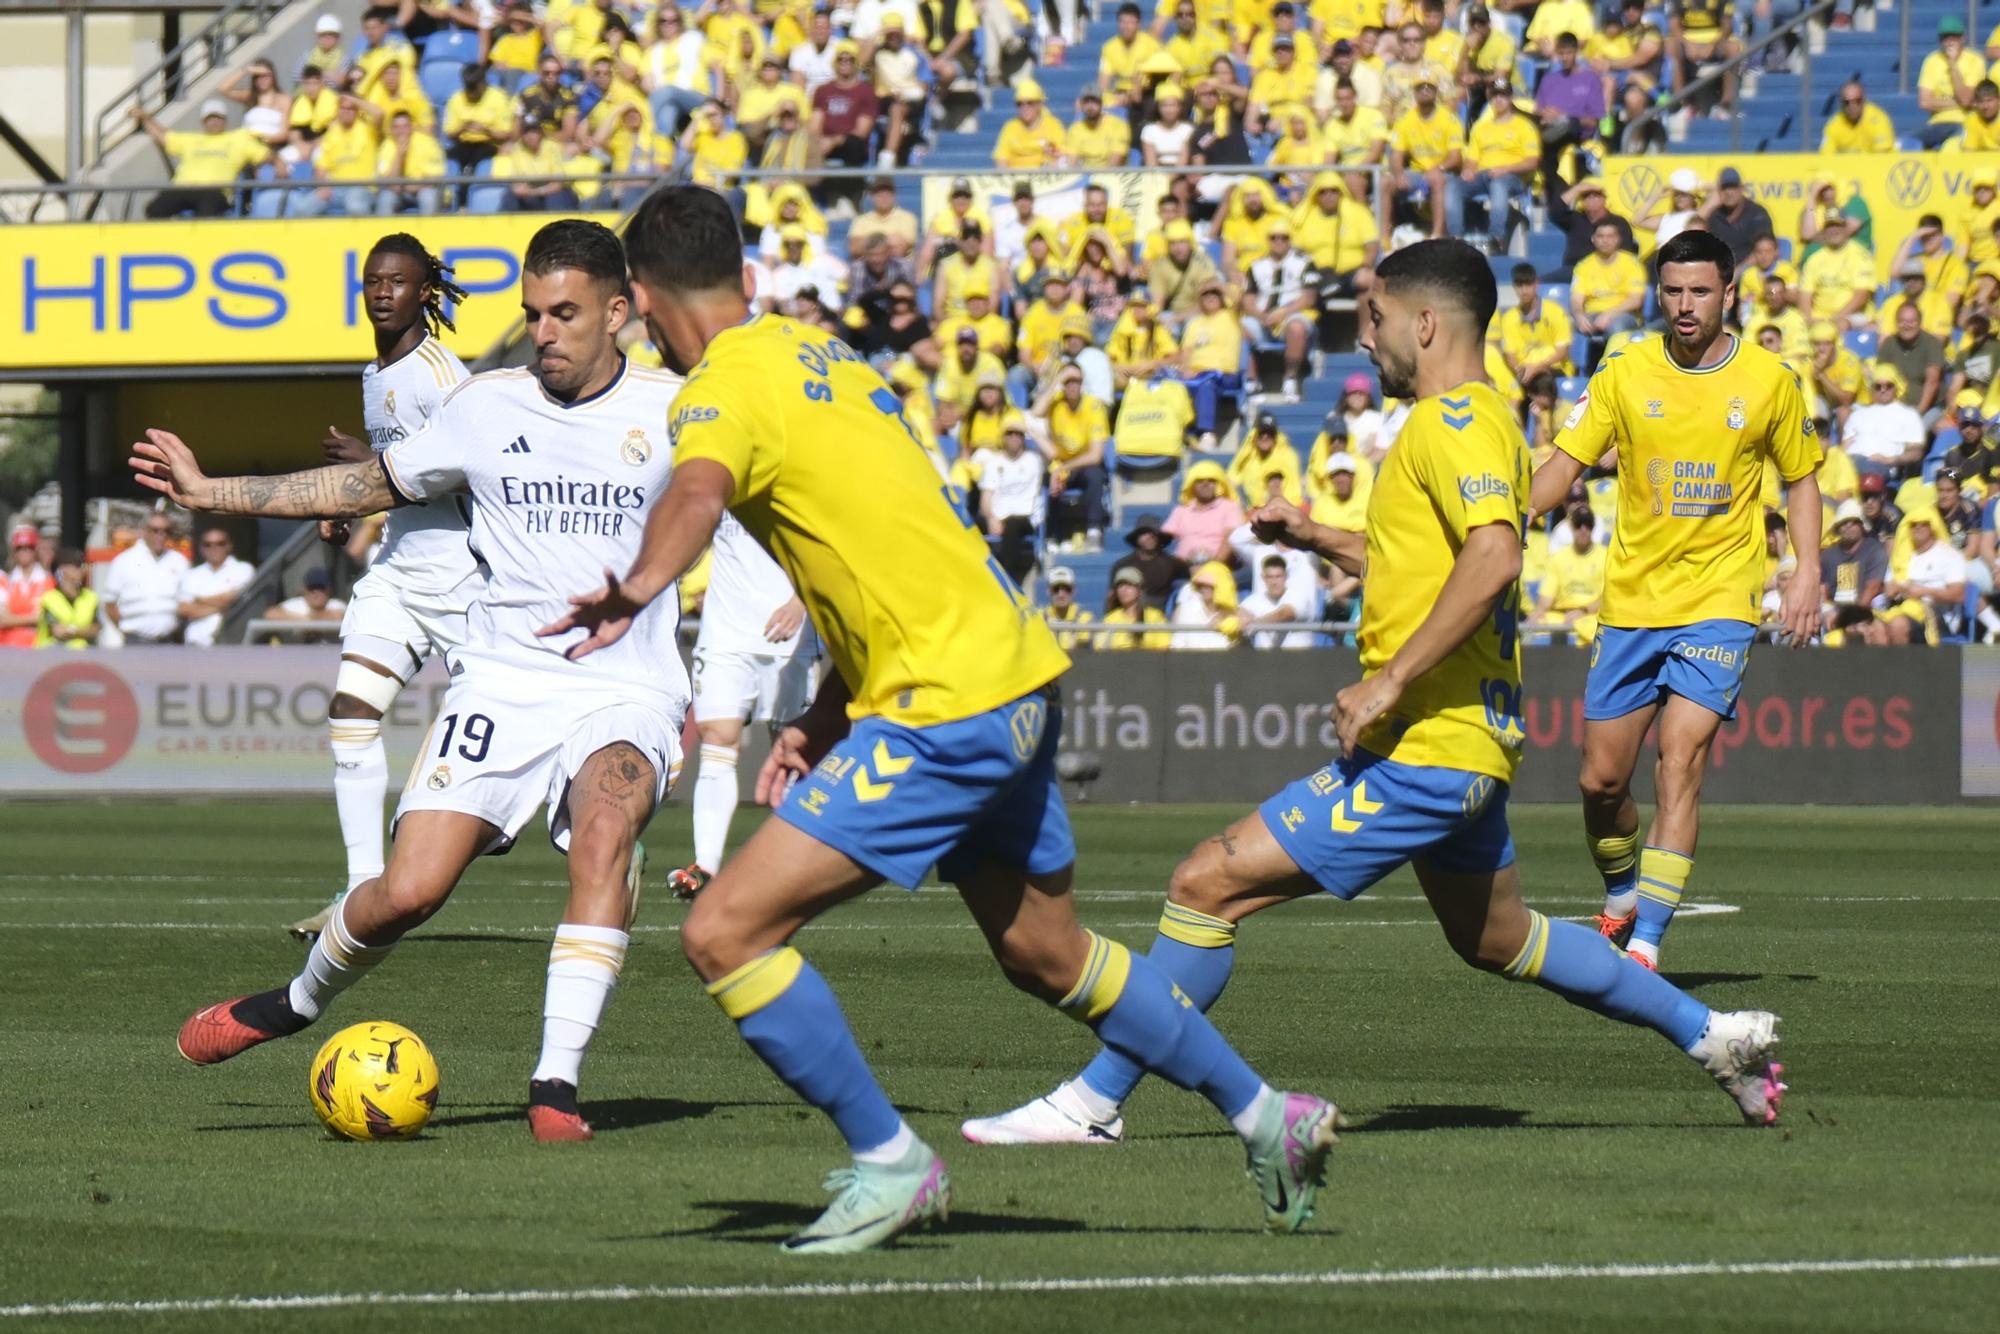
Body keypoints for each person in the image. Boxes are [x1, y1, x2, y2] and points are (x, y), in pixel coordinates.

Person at [537, 184, 1339, 1253]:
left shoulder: (718, 389)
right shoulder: (824, 356)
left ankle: (890, 1161)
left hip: (943, 708)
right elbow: (887, 536)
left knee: (725, 928)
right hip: (1011, 674)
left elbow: (695, 487)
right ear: (745, 271)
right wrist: (826, 709)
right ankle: (1264, 1115)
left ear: (635, 296)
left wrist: (639, 586)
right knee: (1047, 951)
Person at [963, 239, 1787, 1148]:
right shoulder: (1473, 425)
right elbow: (1422, 559)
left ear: (1425, 324)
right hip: (1458, 744)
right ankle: (1713, 1037)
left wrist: (1389, 678)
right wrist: (1317, 534)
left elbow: (1495, 555)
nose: (1365, 341)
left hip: (1428, 747)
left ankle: (1094, 1103)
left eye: (1376, 320)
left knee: (1204, 885)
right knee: (1501, 938)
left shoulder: (1456, 425)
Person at [143, 220, 689, 1144]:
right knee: (410, 891)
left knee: (605, 833)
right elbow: (358, 487)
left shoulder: (678, 413)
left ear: (620, 311)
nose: (545, 332)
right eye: (532, 314)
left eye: (565, 314)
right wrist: (210, 491)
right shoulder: (485, 407)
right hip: (501, 684)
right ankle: (296, 1002)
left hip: (624, 688)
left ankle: (555, 1084)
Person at [1532, 229, 1822, 971]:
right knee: (1600, 782)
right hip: (1632, 600)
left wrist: (1806, 571)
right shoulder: (1624, 370)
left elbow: (1800, 479)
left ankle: (1648, 947)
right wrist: (1492, 518)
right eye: (1672, 291)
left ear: (1730, 293)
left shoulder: (1769, 380)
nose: (1685, 305)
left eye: (1700, 291)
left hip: (1721, 594)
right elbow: (1561, 469)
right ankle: (1623, 891)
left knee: (1680, 758)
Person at [283, 235, 476, 940]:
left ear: (426, 291)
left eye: (397, 282)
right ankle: (363, 894)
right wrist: (352, 500)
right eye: (372, 281)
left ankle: (591, 835)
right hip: (399, 569)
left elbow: (475, 461)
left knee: (512, 725)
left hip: (463, 571)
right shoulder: (376, 372)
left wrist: (376, 464)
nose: (382, 292)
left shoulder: (439, 370)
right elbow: (395, 483)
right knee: (350, 715)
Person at [665, 513, 816, 900]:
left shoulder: (798, 471)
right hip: (726, 632)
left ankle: (793, 868)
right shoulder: (722, 474)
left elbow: (825, 547)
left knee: (794, 748)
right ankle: (706, 866)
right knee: (718, 741)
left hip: (792, 633)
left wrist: (802, 602)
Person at [131, 99, 268, 219]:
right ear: (203, 121)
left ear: (225, 120)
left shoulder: (239, 138)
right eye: (210, 118)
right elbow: (163, 137)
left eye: (218, 118)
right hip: (183, 188)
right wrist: (145, 118)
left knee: (207, 210)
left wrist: (275, 165)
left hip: (215, 191)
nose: (214, 122)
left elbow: (266, 156)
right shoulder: (192, 140)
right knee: (154, 209)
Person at [102, 513, 190, 644]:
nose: (161, 535)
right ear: (144, 531)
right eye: (155, 530)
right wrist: (126, 629)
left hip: (170, 641)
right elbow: (110, 603)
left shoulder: (179, 561)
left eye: (166, 531)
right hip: (136, 640)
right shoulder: (124, 561)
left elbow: (187, 601)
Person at [1531, 505, 1607, 644]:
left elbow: (1609, 597)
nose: (1583, 529)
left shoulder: (1606, 557)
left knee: (1595, 626)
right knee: (1537, 624)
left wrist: (1582, 611)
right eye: (1578, 524)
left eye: (1588, 524)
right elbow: (1547, 596)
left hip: (1592, 615)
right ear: (1571, 527)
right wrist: (1539, 612)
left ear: (1593, 527)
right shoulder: (1559, 558)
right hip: (1562, 616)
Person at [175, 527, 255, 647]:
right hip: (195, 645)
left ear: (229, 546)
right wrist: (225, 606)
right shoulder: (192, 574)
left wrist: (199, 600)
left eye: (220, 544)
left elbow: (235, 599)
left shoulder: (243, 569)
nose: (214, 548)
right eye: (208, 544)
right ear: (201, 548)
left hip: (230, 645)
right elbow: (185, 609)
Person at [1699, 167, 1774, 266]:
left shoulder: (1757, 214)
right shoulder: (1713, 214)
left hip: (1747, 274)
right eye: (1724, 188)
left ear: (1741, 189)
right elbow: (1689, 238)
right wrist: (1707, 207)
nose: (1729, 192)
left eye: (1733, 187)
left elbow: (1762, 251)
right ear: (1718, 191)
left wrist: (1735, 274)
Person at [1820, 499, 1887, 609]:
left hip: (1866, 610)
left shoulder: (1875, 550)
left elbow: (1873, 587)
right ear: (1838, 527)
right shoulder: (1828, 555)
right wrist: (1827, 611)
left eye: (1854, 522)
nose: (1848, 525)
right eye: (1844, 522)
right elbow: (1822, 589)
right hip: (1833, 610)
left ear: (1862, 526)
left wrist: (1853, 616)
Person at [35, 548, 99, 649]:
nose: (83, 570)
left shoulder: (91, 597)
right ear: (63, 570)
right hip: (52, 657)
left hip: (83, 657)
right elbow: (58, 632)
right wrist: (84, 630)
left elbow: (96, 629)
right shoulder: (50, 598)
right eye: (78, 566)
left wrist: (70, 629)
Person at [2, 525, 52, 649]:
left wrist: (13, 619)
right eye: (19, 548)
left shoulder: (48, 580)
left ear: (35, 550)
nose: (24, 552)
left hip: (38, 647)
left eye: (28, 547)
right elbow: (1, 620)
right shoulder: (6, 581)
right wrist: (33, 618)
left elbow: (48, 617)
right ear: (14, 551)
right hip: (8, 646)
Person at [1097, 565, 1171, 648]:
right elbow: (1101, 650)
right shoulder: (1110, 619)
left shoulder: (1155, 617)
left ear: (1139, 590)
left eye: (1129, 585)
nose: (1123, 590)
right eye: (1120, 586)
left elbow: (1164, 647)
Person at [265, 567, 346, 642]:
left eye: (321, 588)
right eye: (312, 588)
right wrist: (302, 620)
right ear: (304, 590)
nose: (316, 593)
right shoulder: (297, 605)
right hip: (298, 655)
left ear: (329, 590)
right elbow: (270, 614)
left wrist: (308, 622)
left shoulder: (335, 604)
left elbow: (338, 616)